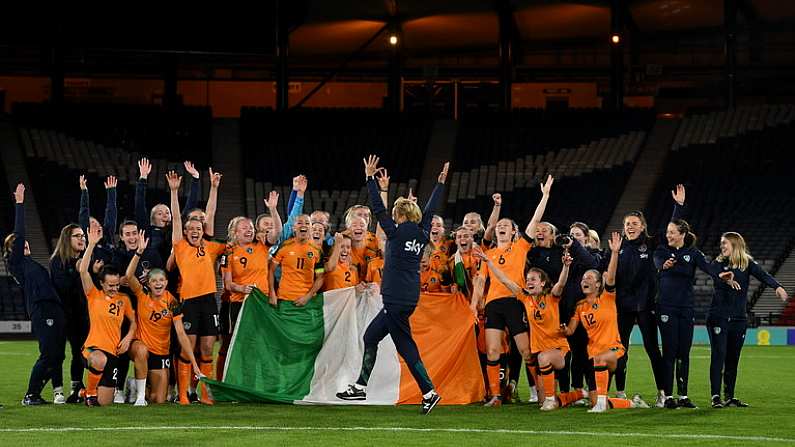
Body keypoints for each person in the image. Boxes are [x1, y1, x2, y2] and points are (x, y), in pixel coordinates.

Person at [336, 155, 448, 415]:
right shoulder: (421, 233)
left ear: (399, 214)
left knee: (405, 348)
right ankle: (361, 387)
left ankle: (429, 391)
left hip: (396, 299)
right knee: (372, 336)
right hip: (407, 297)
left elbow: (377, 208)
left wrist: (369, 178)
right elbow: (430, 210)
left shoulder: (396, 232)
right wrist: (440, 183)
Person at [469, 175, 553, 407]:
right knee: (493, 350)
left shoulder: (520, 247)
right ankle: (495, 395)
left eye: (506, 226)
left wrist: (544, 196)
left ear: (514, 232)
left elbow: (535, 221)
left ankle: (542, 393)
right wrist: (474, 305)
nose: (501, 228)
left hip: (517, 302)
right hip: (494, 304)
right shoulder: (489, 255)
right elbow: (479, 282)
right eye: (499, 227)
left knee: (526, 351)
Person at [475, 245, 579, 411]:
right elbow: (505, 280)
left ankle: (551, 399)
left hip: (559, 351)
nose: (529, 282)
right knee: (542, 398)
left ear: (542, 283)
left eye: (533, 279)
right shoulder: (525, 298)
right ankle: (577, 395)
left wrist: (566, 267)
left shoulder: (552, 297)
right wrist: (489, 263)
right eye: (528, 279)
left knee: (543, 359)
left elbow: (560, 284)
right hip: (541, 355)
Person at [613, 185, 688, 405]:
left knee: (653, 349)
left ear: (643, 226)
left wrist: (678, 207)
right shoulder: (619, 248)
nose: (630, 227)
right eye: (627, 224)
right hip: (624, 306)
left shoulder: (653, 243)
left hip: (646, 305)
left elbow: (671, 232)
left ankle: (662, 393)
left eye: (634, 224)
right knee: (620, 349)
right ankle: (619, 393)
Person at [562, 232, 650, 413]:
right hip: (592, 357)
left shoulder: (608, 297)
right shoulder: (580, 307)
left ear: (597, 285)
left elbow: (610, 277)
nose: (584, 281)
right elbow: (570, 331)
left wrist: (615, 253)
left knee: (601, 359)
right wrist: (562, 329)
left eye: (589, 279)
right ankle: (631, 403)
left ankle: (601, 403)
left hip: (614, 351)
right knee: (595, 400)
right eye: (583, 278)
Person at [707, 232, 789, 408]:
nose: (722, 247)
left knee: (733, 358)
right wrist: (726, 279)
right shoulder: (718, 263)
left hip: (739, 318)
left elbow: (764, 275)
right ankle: (715, 397)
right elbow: (717, 275)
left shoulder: (747, 263)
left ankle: (729, 396)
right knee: (718, 355)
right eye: (721, 243)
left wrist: (777, 287)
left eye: (725, 243)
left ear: (735, 245)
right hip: (719, 317)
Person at [5, 184, 67, 406]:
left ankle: (39, 393)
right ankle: (30, 395)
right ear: (13, 249)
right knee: (49, 353)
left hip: (53, 307)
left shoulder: (29, 264)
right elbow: (20, 233)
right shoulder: (17, 263)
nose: (25, 243)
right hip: (42, 308)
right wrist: (20, 203)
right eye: (20, 243)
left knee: (58, 355)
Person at [168, 170, 226, 405]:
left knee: (207, 348)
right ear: (185, 232)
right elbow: (176, 218)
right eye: (191, 229)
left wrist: (214, 188)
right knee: (187, 348)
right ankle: (183, 394)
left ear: (203, 232)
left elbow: (210, 214)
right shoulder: (180, 247)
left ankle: (204, 393)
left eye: (198, 229)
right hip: (189, 301)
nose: (194, 231)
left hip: (209, 301)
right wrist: (174, 192)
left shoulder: (211, 247)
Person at [653, 219, 723, 409]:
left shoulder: (693, 253)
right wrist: (664, 265)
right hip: (666, 307)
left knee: (684, 352)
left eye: (672, 232)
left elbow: (710, 269)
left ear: (682, 234)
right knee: (669, 351)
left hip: (686, 308)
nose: (668, 235)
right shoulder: (661, 250)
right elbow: (658, 262)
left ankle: (683, 396)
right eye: (667, 232)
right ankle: (667, 396)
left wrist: (723, 271)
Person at [125, 231, 201, 405]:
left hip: (161, 353)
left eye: (162, 280)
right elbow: (129, 276)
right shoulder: (142, 294)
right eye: (154, 281)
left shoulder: (172, 302)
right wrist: (138, 253)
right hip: (141, 347)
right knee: (141, 351)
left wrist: (194, 363)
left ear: (166, 282)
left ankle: (134, 385)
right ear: (148, 283)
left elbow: (181, 334)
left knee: (159, 400)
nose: (158, 283)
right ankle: (139, 398)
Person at [79, 225, 136, 407]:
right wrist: (92, 244)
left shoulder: (124, 299)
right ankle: (89, 393)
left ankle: (81, 392)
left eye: (116, 285)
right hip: (92, 349)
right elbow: (83, 271)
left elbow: (134, 322)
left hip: (113, 354)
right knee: (99, 360)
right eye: (110, 285)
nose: (114, 288)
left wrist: (128, 338)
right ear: (102, 284)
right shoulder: (93, 295)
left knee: (104, 403)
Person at [218, 212, 274, 380]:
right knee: (238, 345)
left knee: (262, 344)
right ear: (234, 232)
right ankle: (234, 381)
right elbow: (228, 285)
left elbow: (277, 232)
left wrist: (272, 209)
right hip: (239, 304)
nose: (248, 230)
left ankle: (259, 382)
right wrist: (243, 288)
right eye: (244, 228)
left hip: (261, 304)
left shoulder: (262, 246)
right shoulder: (228, 254)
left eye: (250, 227)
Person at [49, 223, 87, 403]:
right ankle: (57, 390)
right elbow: (63, 287)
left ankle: (76, 387)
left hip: (80, 315)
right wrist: (79, 269)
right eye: (77, 236)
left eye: (82, 236)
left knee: (79, 352)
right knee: (57, 353)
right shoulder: (57, 261)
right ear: (66, 239)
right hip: (61, 314)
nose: (82, 239)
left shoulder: (86, 260)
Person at [268, 214, 325, 306]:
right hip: (284, 298)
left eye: (307, 223)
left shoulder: (317, 251)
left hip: (307, 301)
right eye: (299, 223)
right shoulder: (284, 246)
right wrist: (272, 293)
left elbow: (320, 277)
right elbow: (271, 270)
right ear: (294, 228)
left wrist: (308, 297)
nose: (304, 225)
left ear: (310, 228)